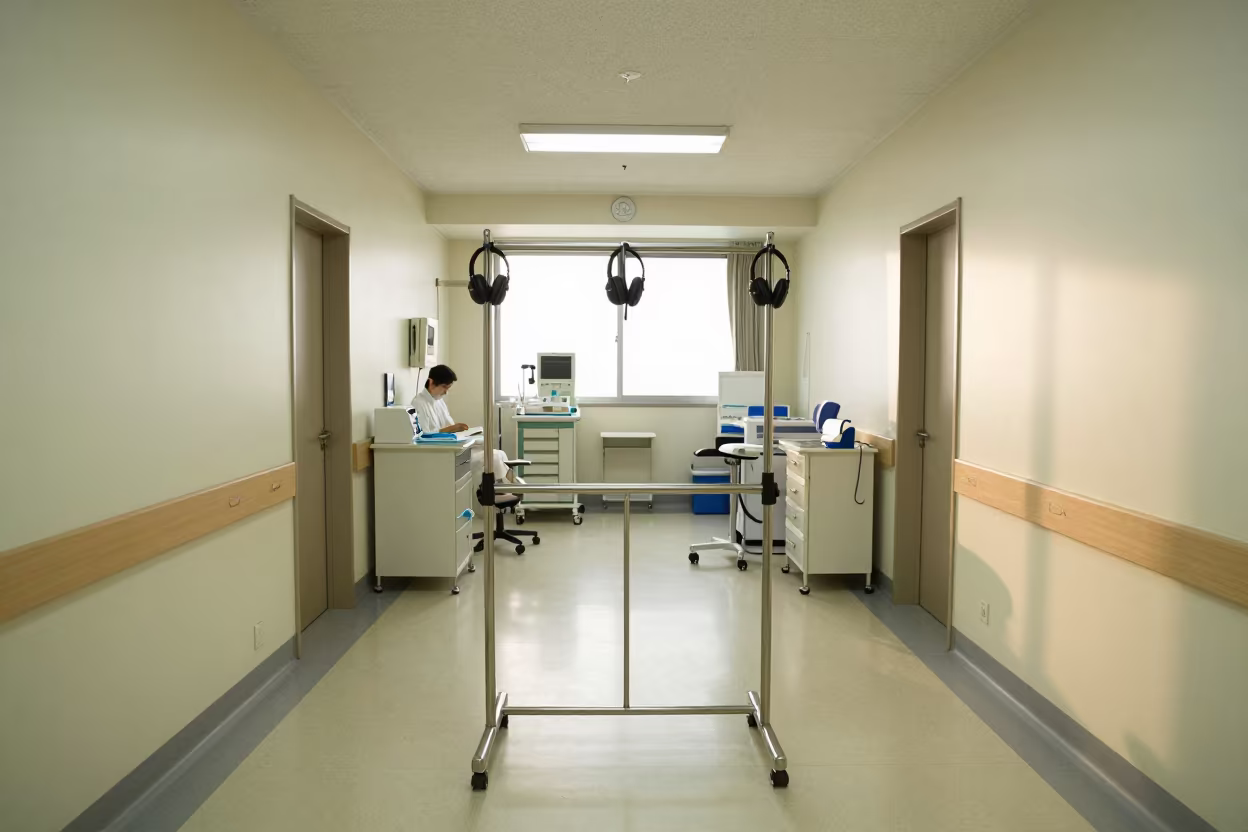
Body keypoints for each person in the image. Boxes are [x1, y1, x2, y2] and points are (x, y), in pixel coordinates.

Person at [411, 365, 520, 482]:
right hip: (441, 456)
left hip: (453, 448)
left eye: (448, 388)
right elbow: (423, 438)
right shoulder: (419, 404)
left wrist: (465, 432)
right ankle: (506, 492)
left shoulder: (439, 402)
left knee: (500, 454)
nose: (446, 392)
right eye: (444, 387)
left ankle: (507, 490)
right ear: (431, 382)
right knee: (493, 457)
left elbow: (451, 427)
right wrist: (451, 429)